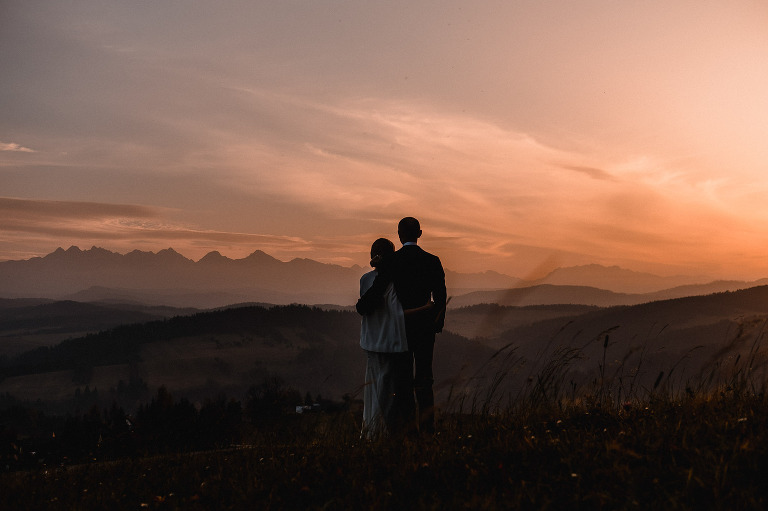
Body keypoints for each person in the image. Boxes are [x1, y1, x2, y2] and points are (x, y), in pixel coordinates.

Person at [357, 217, 447, 434]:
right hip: (425, 328)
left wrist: (363, 306)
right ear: (420, 233)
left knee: (404, 382)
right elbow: (441, 296)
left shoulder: (393, 261)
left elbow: (378, 290)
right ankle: (428, 428)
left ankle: (409, 431)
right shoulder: (433, 260)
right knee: (425, 379)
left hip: (401, 331)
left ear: (399, 234)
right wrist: (436, 323)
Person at [358, 238, 414, 438]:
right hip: (392, 342)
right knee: (388, 394)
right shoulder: (396, 281)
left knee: (372, 391)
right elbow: (396, 312)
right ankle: (387, 435)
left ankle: (371, 432)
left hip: (370, 341)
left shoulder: (365, 279)